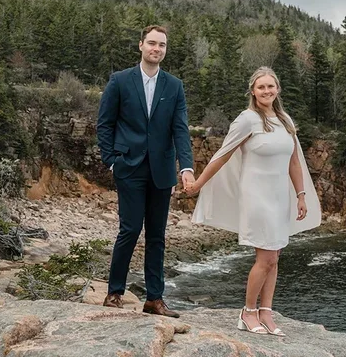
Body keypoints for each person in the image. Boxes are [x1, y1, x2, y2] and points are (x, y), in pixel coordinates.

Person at [187, 67, 321, 335]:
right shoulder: (246, 120)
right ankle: (248, 312)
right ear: (253, 91)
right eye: (261, 87)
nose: (267, 91)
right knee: (266, 256)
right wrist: (199, 183)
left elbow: (294, 162)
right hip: (256, 197)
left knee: (275, 256)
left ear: (278, 89)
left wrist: (301, 195)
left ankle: (266, 312)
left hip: (279, 196)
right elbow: (223, 155)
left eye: (271, 86)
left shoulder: (285, 120)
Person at [96, 24, 195, 317]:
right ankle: (114, 293)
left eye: (162, 45)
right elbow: (105, 124)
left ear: (165, 49)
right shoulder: (120, 81)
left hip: (162, 170)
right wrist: (111, 160)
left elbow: (180, 129)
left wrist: (186, 167)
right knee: (129, 230)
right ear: (141, 45)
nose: (156, 49)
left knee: (157, 235)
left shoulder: (174, 85)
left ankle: (154, 298)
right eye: (152, 43)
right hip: (129, 166)